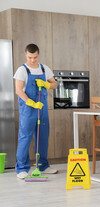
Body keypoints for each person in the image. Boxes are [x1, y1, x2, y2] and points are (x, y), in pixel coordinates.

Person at [14, 43, 58, 179]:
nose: (32, 60)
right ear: (26, 54)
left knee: (43, 137)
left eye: (35, 57)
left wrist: (46, 84)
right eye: (30, 57)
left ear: (38, 54)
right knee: (25, 137)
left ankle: (43, 166)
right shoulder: (22, 70)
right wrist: (31, 102)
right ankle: (21, 168)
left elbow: (54, 84)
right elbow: (19, 90)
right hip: (28, 109)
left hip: (42, 108)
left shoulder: (44, 69)